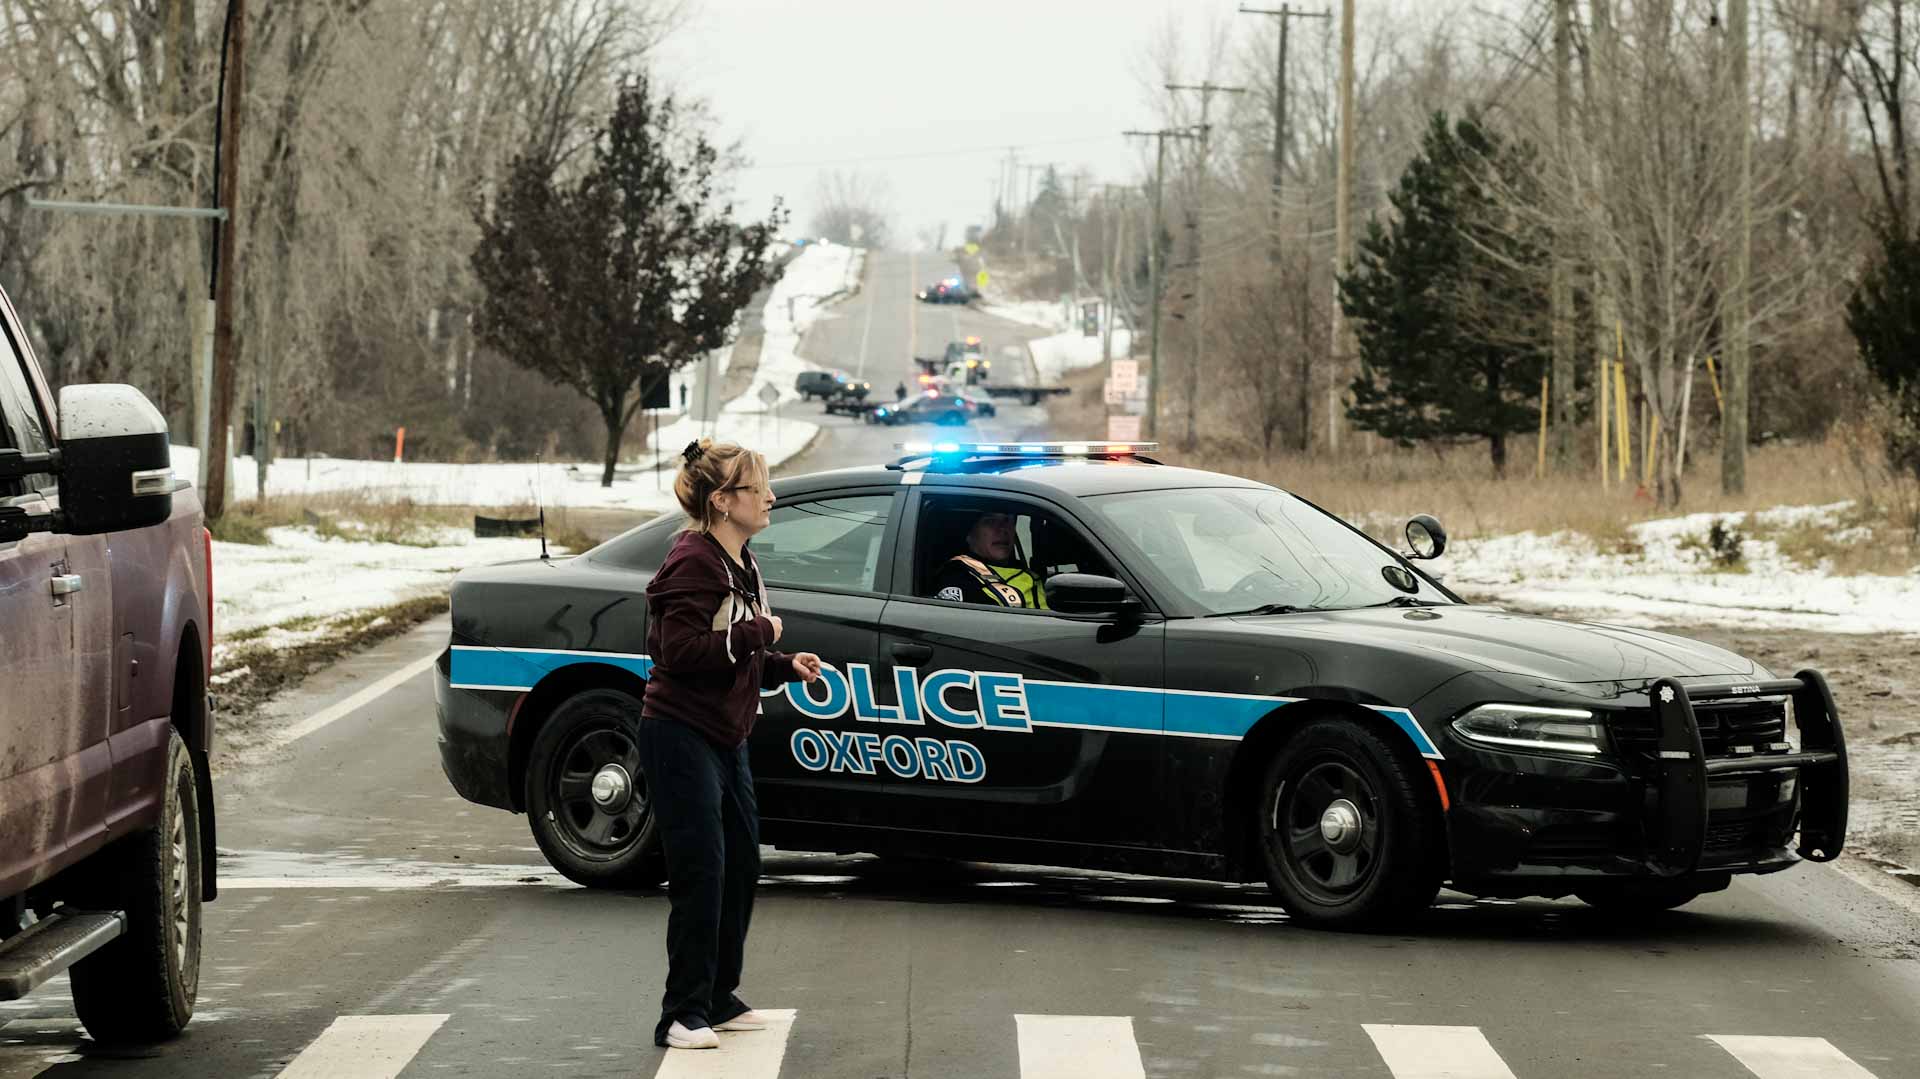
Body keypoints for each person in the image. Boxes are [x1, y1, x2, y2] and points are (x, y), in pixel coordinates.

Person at [639, 438, 823, 1051]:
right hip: (679, 733)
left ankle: (718, 996)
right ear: (721, 501)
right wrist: (759, 630)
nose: (771, 497)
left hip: (726, 735)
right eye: (757, 487)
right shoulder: (693, 560)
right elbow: (678, 653)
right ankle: (681, 1013)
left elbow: (729, 653)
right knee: (702, 871)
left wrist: (780, 662)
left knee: (742, 864)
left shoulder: (738, 560)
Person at [929, 510, 1048, 609]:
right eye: (990, 521)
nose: (1002, 529)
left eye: (1007, 520)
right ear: (970, 533)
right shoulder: (957, 576)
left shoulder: (1026, 571)